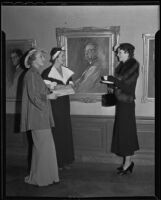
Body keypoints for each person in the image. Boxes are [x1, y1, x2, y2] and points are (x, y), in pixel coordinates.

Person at [20, 48, 59, 186]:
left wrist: (49, 87)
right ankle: (41, 179)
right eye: (41, 57)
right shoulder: (31, 74)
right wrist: (49, 95)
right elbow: (34, 97)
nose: (43, 59)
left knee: (44, 148)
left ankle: (46, 177)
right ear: (33, 60)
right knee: (42, 148)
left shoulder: (35, 74)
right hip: (38, 117)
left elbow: (38, 92)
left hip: (41, 116)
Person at [103, 43, 140, 175]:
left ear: (127, 52)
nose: (117, 54)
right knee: (123, 132)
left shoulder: (133, 64)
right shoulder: (122, 66)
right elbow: (120, 84)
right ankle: (127, 162)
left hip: (127, 103)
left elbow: (127, 86)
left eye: (120, 52)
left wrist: (112, 80)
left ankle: (128, 163)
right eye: (118, 52)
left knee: (126, 133)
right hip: (121, 103)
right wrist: (110, 84)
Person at [41, 47, 75, 170]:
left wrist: (66, 87)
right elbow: (45, 90)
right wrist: (60, 88)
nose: (64, 58)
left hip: (65, 105)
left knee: (65, 131)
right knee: (57, 132)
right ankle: (57, 162)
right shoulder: (46, 72)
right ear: (55, 57)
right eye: (62, 56)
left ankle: (66, 160)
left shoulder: (66, 71)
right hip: (54, 106)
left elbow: (71, 86)